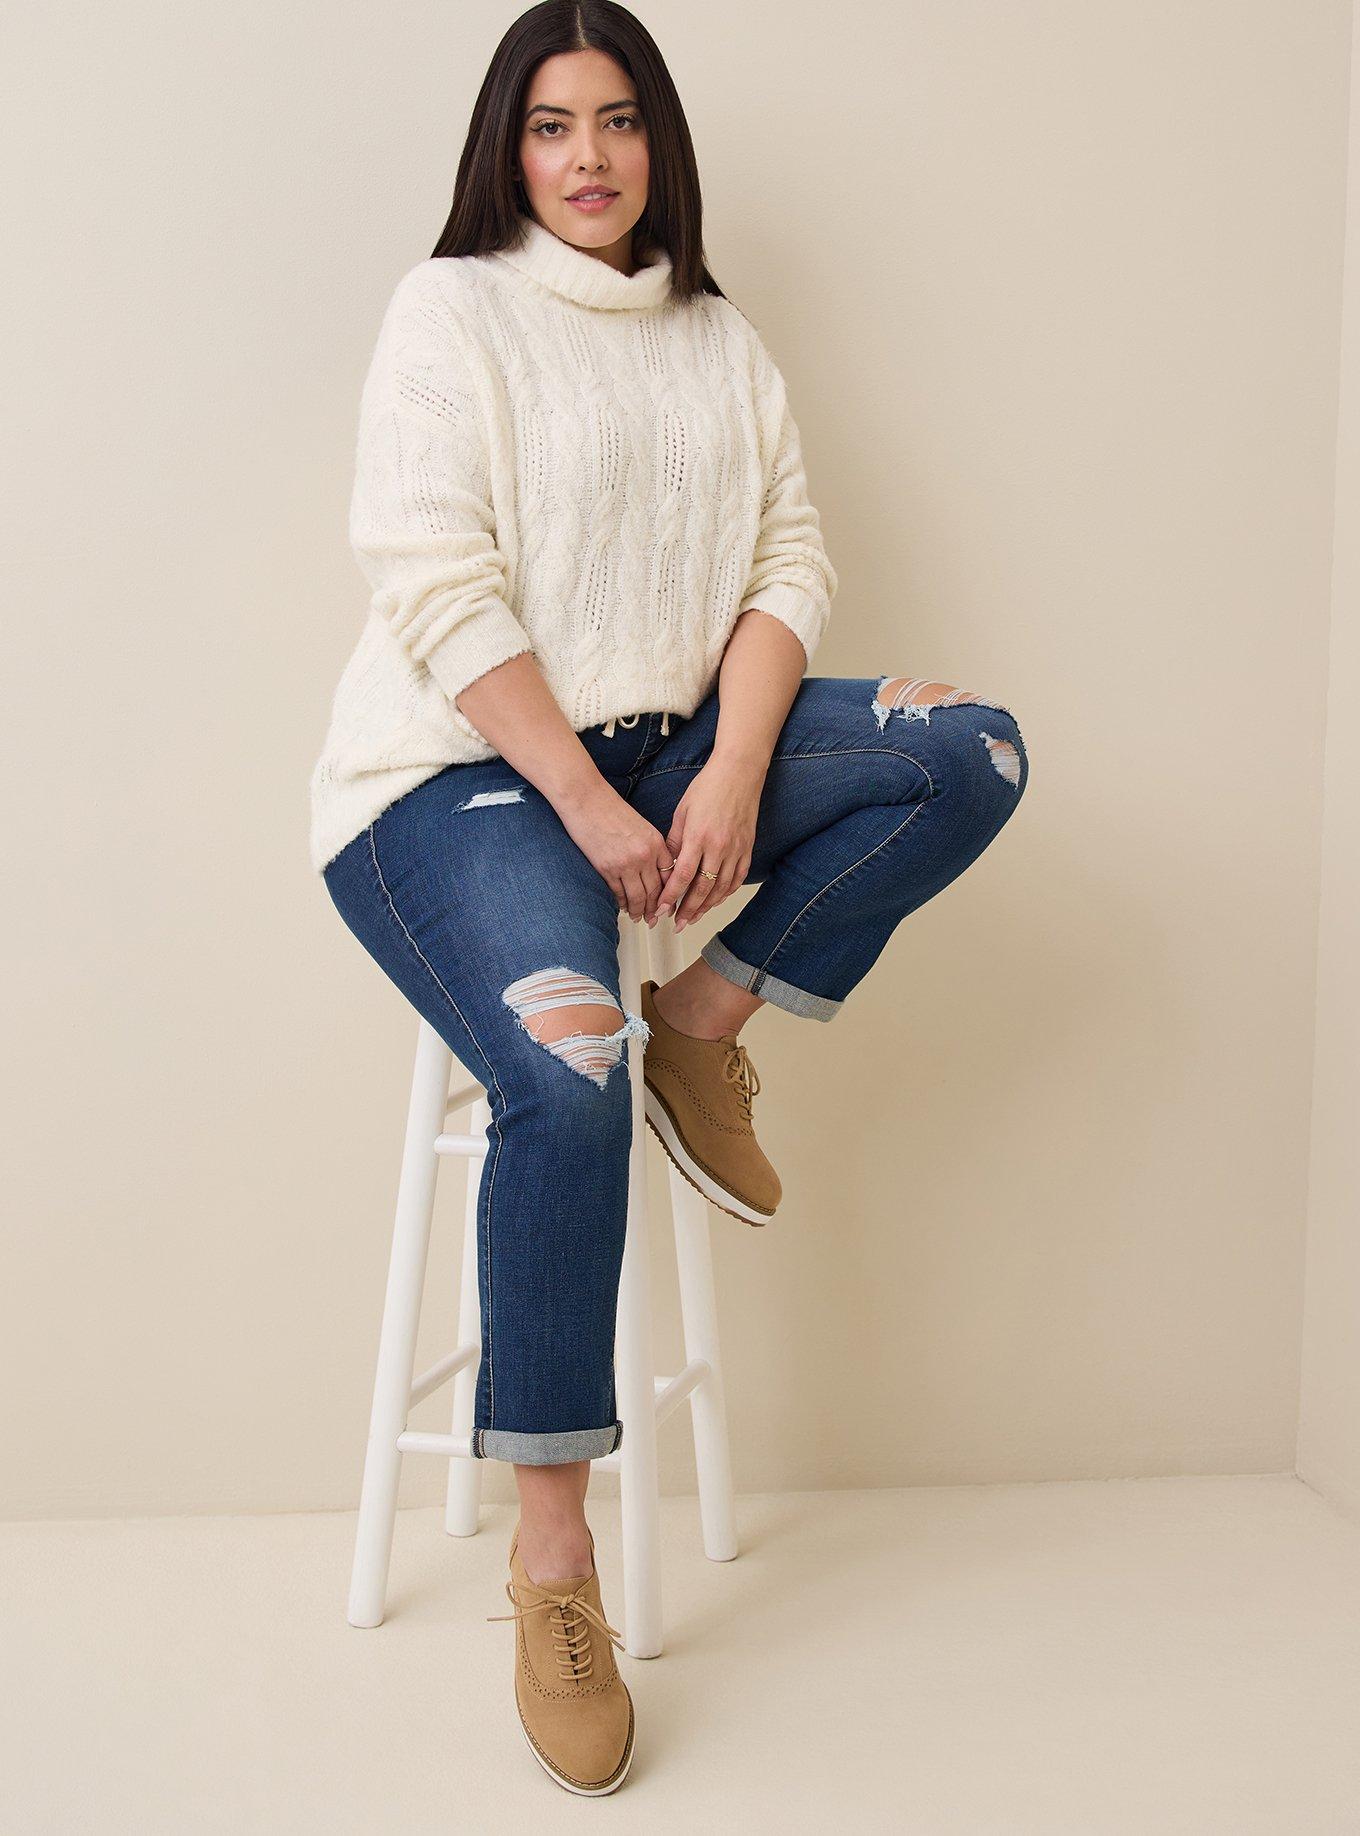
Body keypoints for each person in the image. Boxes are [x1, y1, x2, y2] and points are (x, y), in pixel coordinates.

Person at [309, 0, 1029, 1797]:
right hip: (461, 779)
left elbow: (790, 557)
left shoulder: (719, 337)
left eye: (619, 120)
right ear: (510, 146)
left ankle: (704, 1022)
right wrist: (581, 799)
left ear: (660, 143)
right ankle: (556, 1569)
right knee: (566, 1071)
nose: (590, 157)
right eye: (554, 124)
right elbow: (433, 576)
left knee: (968, 750)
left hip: (672, 752)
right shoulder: (450, 312)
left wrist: (724, 773)